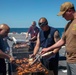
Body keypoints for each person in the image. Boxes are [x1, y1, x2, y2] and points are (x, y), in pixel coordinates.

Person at [41, 2, 76, 75]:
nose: (63, 16)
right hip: (69, 60)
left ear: (69, 11)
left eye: (63, 14)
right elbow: (62, 41)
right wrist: (48, 49)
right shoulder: (68, 24)